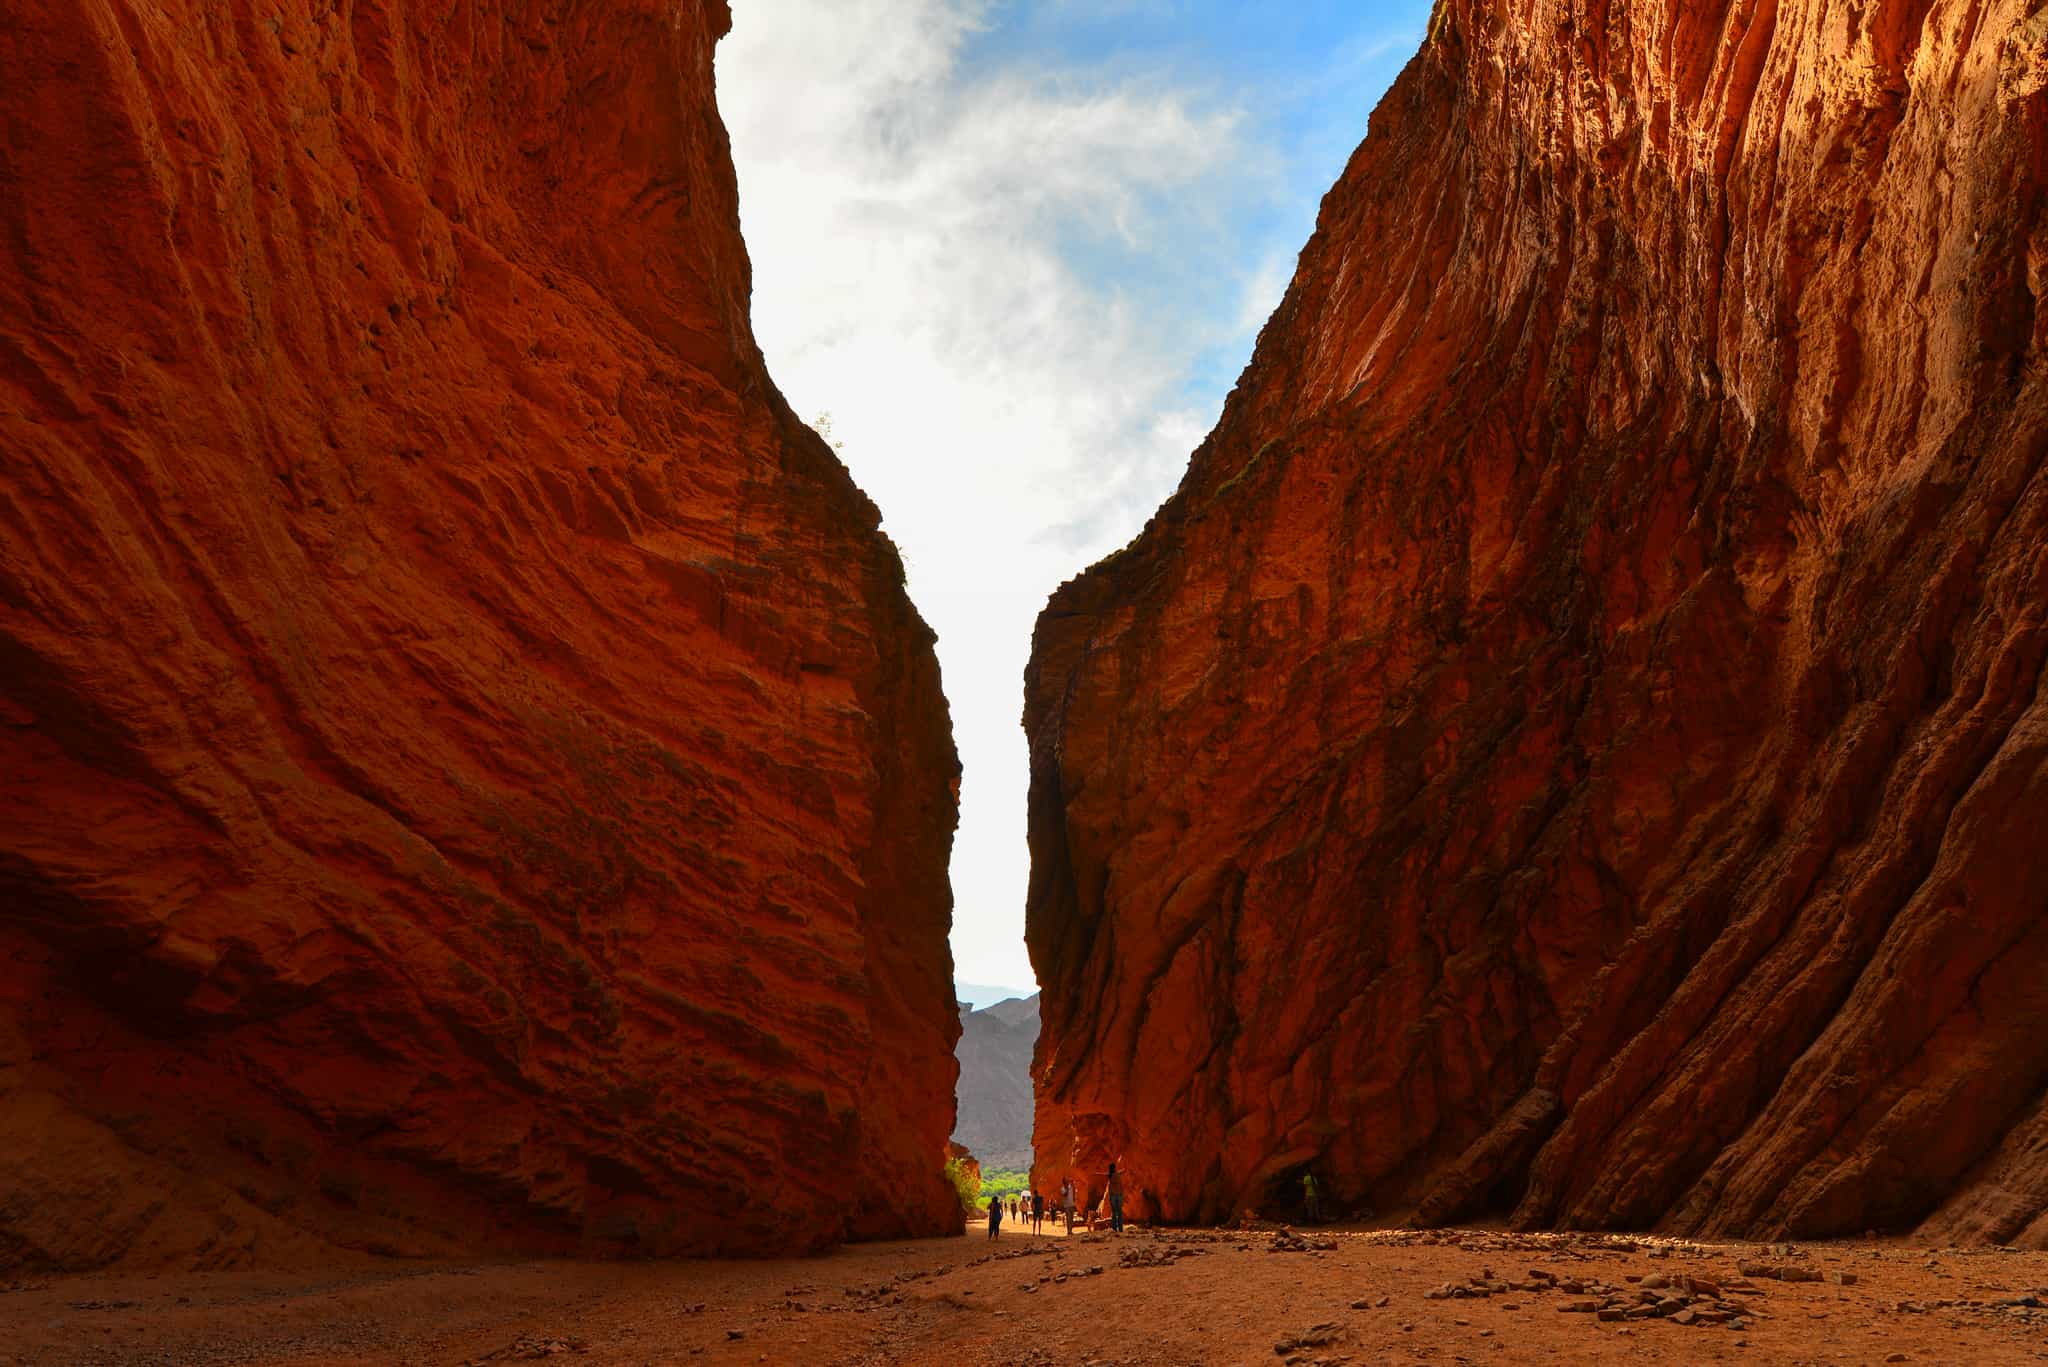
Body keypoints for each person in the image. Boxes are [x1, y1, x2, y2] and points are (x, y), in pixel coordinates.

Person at [1106, 1162, 1125, 1233]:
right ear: (1114, 1168)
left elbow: (1121, 1172)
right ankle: (1120, 1229)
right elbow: (1121, 1172)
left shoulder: (1110, 1175)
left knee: (1114, 1213)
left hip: (1113, 1195)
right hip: (1118, 1195)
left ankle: (1115, 1228)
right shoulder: (1115, 1175)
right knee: (1119, 1212)